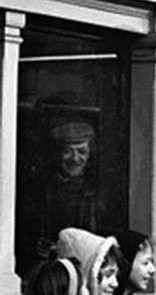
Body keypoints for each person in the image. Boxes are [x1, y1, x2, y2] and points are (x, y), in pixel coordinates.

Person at [16, 118, 102, 277]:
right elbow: (22, 231)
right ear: (57, 153)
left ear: (91, 153)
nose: (75, 159)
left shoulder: (97, 191)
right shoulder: (40, 189)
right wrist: (36, 245)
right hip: (48, 272)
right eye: (68, 151)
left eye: (82, 151)